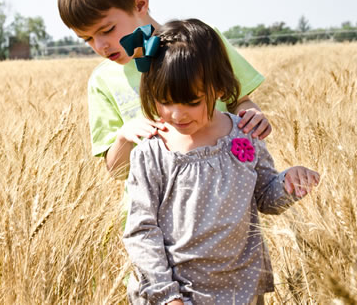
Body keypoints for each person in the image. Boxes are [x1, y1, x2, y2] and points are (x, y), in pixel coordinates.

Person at [121, 19, 320, 304]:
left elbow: (264, 196)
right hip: (175, 293)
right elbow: (141, 230)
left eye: (191, 101)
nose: (177, 115)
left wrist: (289, 183)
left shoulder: (243, 135)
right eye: (165, 101)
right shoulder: (152, 152)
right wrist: (166, 296)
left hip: (239, 289)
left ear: (217, 86)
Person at [58, 0, 271, 177]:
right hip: (151, 209)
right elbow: (116, 171)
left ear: (140, 4)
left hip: (222, 197)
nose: (100, 46)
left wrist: (252, 116)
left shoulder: (204, 42)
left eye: (107, 30)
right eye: (87, 38)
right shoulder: (103, 81)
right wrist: (124, 137)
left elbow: (239, 100)